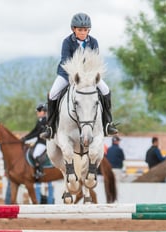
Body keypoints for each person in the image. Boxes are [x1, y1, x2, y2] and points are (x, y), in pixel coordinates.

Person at [40, 12, 118, 140]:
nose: (83, 32)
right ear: (73, 29)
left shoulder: (93, 42)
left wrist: (89, 75)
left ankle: (108, 123)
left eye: (85, 30)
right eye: (80, 30)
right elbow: (66, 61)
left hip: (89, 76)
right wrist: (75, 76)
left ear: (89, 30)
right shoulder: (67, 42)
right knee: (53, 93)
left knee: (106, 90)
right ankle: (50, 127)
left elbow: (95, 61)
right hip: (67, 75)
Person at [21, 104, 47, 179]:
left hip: (44, 142)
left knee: (36, 154)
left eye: (39, 111)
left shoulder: (46, 121)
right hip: (39, 142)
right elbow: (34, 131)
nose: (37, 113)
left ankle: (40, 171)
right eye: (37, 111)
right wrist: (25, 137)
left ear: (43, 112)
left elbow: (37, 133)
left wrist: (26, 139)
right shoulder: (39, 121)